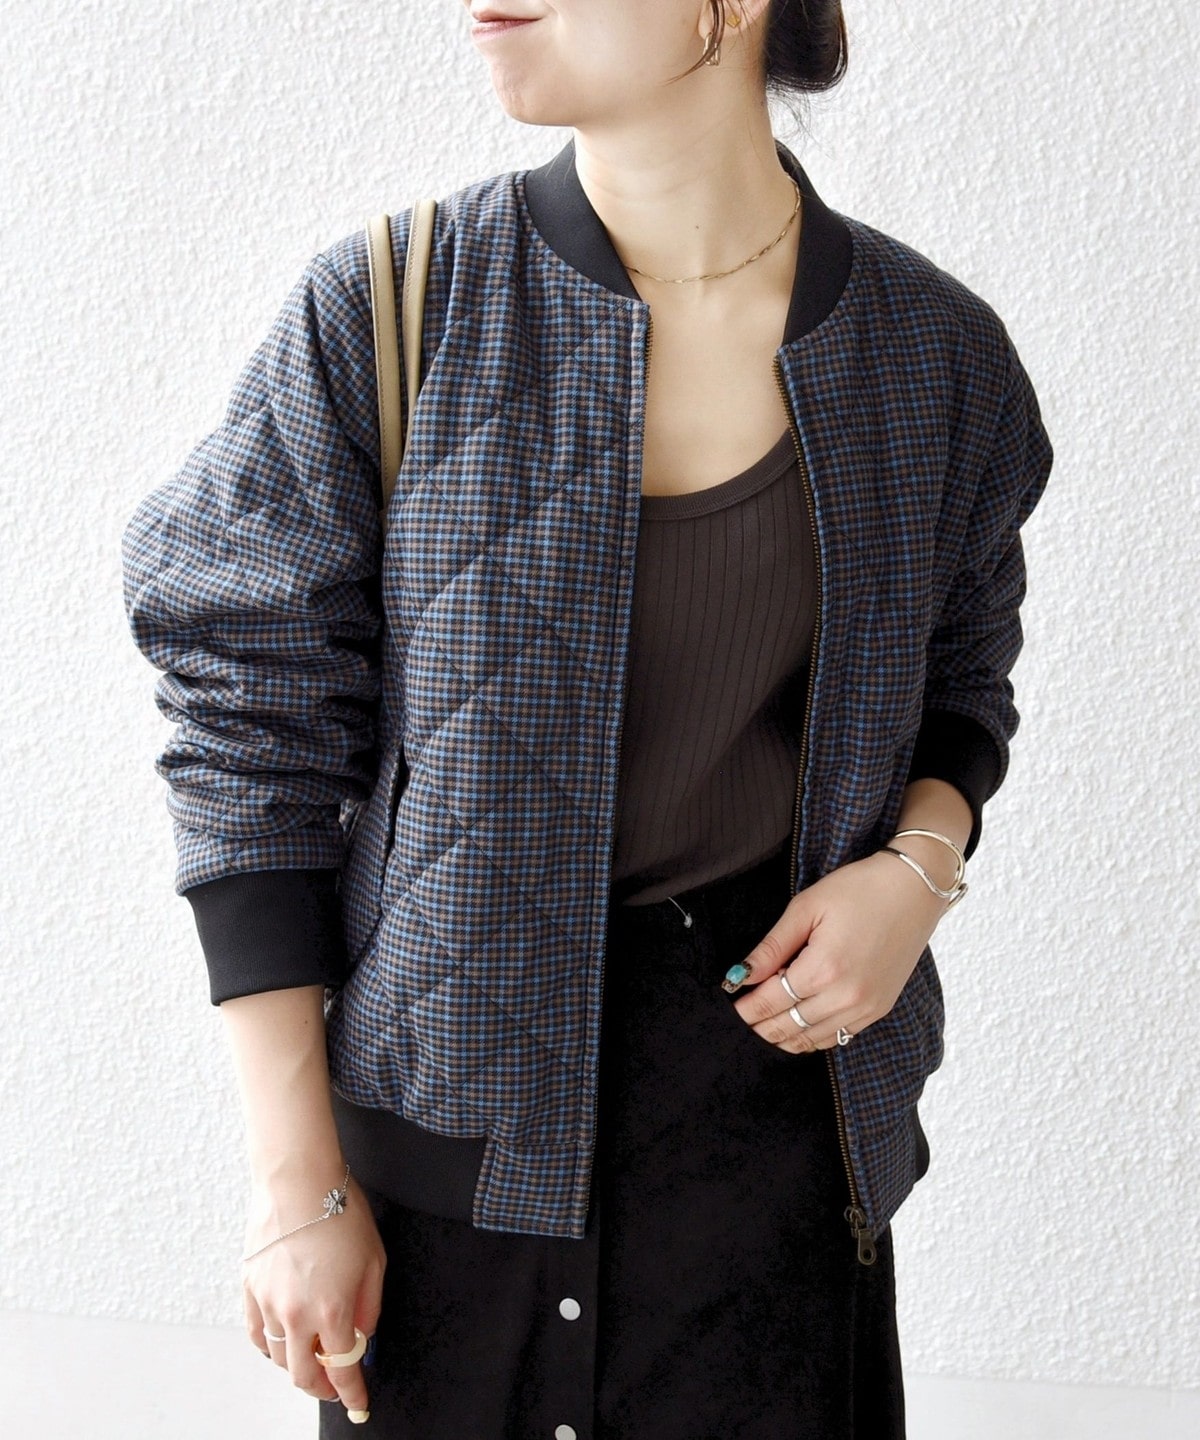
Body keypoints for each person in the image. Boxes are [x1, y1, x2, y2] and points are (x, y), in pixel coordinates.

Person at [123, 2, 1053, 1436]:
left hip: (778, 1158)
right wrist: (295, 1181)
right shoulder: (393, 305)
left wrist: (915, 874)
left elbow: (963, 678)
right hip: (448, 1171)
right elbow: (250, 725)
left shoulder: (935, 356)